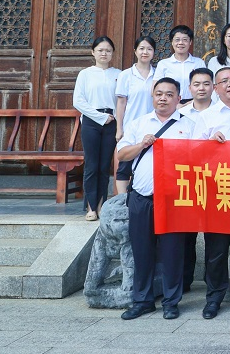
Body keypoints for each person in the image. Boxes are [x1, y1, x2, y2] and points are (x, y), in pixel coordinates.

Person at [117, 77, 194, 320]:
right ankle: (142, 301)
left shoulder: (190, 125)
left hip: (173, 199)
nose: (163, 98)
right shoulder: (139, 123)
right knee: (142, 252)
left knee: (173, 253)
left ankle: (171, 302)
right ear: (152, 96)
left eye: (169, 94)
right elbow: (122, 154)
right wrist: (142, 144)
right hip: (142, 198)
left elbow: (202, 157)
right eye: (159, 94)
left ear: (178, 98)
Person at [188, 66, 230, 319]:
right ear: (216, 88)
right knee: (216, 248)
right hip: (219, 188)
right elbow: (193, 152)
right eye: (224, 81)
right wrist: (208, 144)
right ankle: (214, 297)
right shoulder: (207, 117)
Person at [74, 36, 121, 220]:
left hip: (112, 121)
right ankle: (91, 207)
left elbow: (121, 100)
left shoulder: (119, 74)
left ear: (112, 53)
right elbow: (78, 101)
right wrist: (100, 117)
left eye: (108, 50)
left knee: (104, 166)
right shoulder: (85, 74)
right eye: (100, 50)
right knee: (92, 165)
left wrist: (116, 120)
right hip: (91, 121)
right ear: (93, 52)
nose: (104, 53)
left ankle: (101, 205)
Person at [178, 67, 215, 291]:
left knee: (213, 236)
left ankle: (213, 283)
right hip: (187, 180)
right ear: (190, 88)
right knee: (186, 234)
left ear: (213, 87)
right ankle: (184, 281)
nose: (201, 88)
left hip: (215, 180)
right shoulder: (179, 114)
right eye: (197, 84)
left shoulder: (221, 112)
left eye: (206, 84)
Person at [113, 36, 156, 195]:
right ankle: (122, 200)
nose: (145, 52)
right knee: (124, 166)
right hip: (131, 126)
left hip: (153, 126)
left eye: (149, 49)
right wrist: (119, 128)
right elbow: (121, 103)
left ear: (154, 52)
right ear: (135, 51)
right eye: (142, 48)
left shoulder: (158, 75)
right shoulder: (126, 75)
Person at [152, 25, 204, 102]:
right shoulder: (163, 64)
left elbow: (204, 87)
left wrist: (190, 104)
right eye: (177, 40)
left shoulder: (199, 63)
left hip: (194, 103)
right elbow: (155, 90)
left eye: (185, 40)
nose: (180, 43)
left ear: (190, 42)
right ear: (172, 42)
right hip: (169, 103)